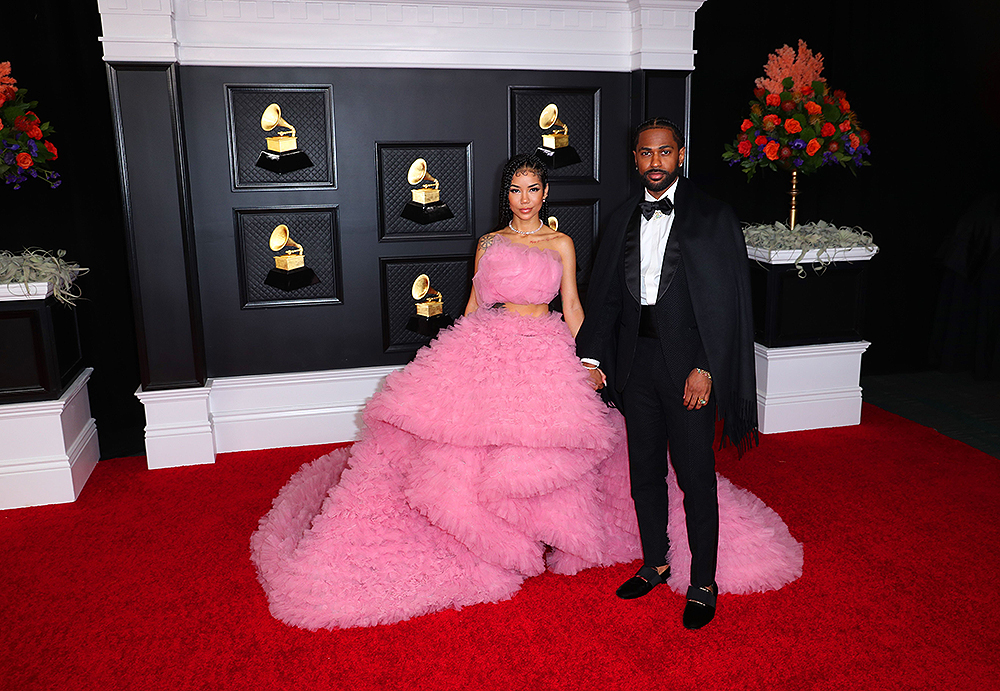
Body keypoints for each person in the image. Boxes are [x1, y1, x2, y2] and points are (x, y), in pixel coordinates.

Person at [251, 153, 801, 632]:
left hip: (545, 345)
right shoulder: (488, 243)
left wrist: (588, 358)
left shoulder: (562, 242)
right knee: (472, 449)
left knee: (553, 448)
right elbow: (472, 306)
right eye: (514, 190)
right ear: (506, 195)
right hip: (489, 344)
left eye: (532, 189)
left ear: (545, 193)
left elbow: (576, 306)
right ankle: (497, 548)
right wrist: (449, 354)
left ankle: (577, 542)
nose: (523, 199)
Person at [576, 118, 762, 629]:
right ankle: (655, 562)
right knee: (645, 475)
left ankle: (703, 580)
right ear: (634, 159)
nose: (654, 162)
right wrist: (594, 358)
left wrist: (705, 366)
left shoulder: (712, 218)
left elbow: (725, 303)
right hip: (636, 365)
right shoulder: (620, 220)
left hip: (689, 372)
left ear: (680, 155)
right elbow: (605, 296)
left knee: (696, 477)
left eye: (663, 153)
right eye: (644, 153)